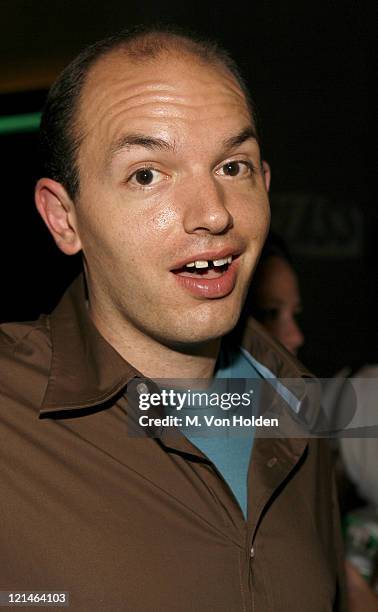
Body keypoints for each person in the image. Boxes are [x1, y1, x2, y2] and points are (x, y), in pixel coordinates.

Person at [0, 26, 346, 611]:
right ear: (64, 219)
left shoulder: (301, 404)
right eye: (147, 175)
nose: (213, 213)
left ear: (264, 184)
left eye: (233, 167)